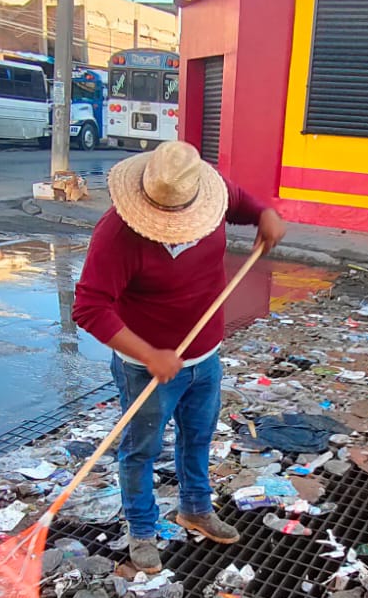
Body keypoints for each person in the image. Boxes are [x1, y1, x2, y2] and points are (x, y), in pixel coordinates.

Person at [73, 141, 286, 573]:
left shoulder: (209, 193)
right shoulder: (117, 234)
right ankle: (141, 529)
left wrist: (265, 215)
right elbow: (90, 307)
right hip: (145, 370)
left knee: (199, 436)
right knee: (141, 450)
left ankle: (195, 508)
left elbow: (243, 204)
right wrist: (149, 354)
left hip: (205, 356)